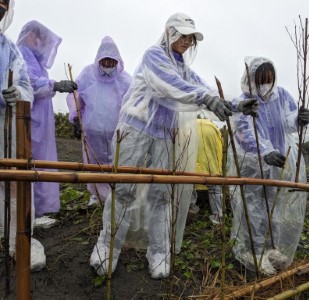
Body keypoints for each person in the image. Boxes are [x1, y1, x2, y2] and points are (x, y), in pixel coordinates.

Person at [90, 12, 257, 280]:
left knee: (161, 194)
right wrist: (205, 98)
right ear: (169, 32)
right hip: (136, 128)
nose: (187, 41)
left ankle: (159, 252)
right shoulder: (154, 56)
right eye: (182, 35)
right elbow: (170, 87)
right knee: (123, 189)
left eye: (191, 37)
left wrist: (237, 105)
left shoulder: (185, 70)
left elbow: (204, 89)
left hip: (165, 134)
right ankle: (107, 248)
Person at [229, 56, 309, 276]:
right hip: (253, 164)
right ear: (251, 80)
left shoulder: (282, 96)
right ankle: (254, 251)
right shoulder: (246, 103)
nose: (266, 85)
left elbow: (289, 120)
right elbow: (246, 134)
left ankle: (271, 248)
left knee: (274, 207)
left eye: (269, 80)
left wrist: (301, 118)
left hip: (276, 161)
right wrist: (265, 152)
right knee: (254, 208)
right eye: (261, 80)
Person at [16, 20, 77, 227]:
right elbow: (28, 83)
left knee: (40, 162)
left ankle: (36, 211)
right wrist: (56, 85)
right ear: (31, 36)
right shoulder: (22, 54)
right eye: (38, 37)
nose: (41, 42)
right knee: (28, 161)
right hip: (29, 120)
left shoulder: (36, 60)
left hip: (40, 120)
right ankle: (26, 212)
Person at [0, 0, 46, 271]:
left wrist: (16, 94)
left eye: (4, 4)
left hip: (5, 128)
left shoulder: (9, 49)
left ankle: (16, 240)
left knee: (13, 183)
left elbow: (26, 85)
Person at [66, 36, 132, 205]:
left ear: (117, 61)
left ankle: (114, 196)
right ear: (99, 60)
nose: (108, 65)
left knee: (114, 162)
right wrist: (75, 117)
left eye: (112, 61)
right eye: (105, 61)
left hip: (116, 131)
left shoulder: (125, 79)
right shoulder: (88, 74)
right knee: (93, 162)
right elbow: (76, 96)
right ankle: (95, 196)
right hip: (92, 130)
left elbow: (132, 103)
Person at [190, 118, 224, 225]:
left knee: (188, 175)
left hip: (191, 132)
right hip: (211, 135)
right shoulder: (212, 127)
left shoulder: (191, 125)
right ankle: (218, 215)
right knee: (213, 174)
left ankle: (191, 207)